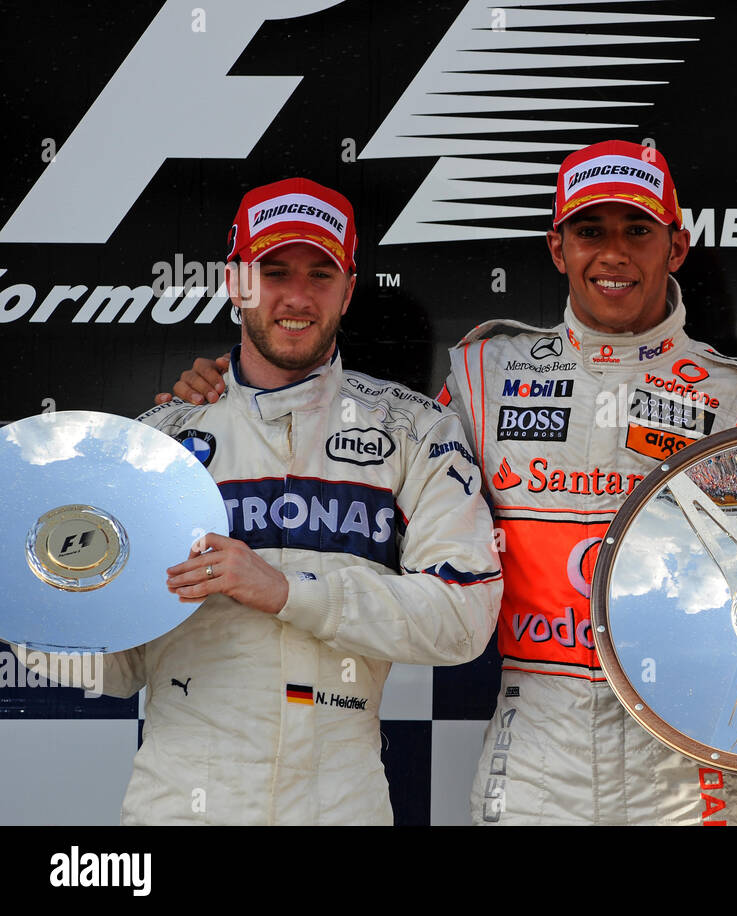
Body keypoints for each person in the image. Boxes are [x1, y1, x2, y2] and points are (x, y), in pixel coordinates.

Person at [163, 144, 737, 825]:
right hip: (530, 764)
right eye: (591, 231)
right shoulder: (484, 375)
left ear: (676, 246)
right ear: (558, 249)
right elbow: (371, 468)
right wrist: (224, 399)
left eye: (638, 231)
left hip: (689, 770)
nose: (613, 254)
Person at [40, 177, 504, 825]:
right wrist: (32, 599)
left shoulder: (417, 432)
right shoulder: (158, 443)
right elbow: (116, 669)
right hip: (181, 806)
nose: (296, 295)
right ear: (236, 283)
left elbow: (463, 618)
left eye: (320, 273)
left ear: (348, 289)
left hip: (341, 802)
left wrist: (288, 590)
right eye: (273, 270)